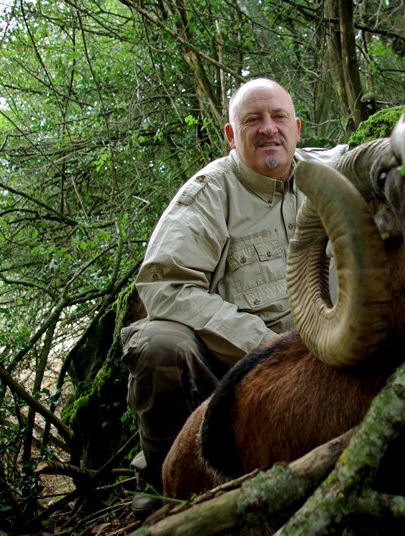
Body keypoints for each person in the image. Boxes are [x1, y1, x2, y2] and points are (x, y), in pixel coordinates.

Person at [120, 78, 345, 517]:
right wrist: (263, 347)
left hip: (336, 363)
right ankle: (166, 481)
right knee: (159, 345)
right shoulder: (207, 195)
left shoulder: (335, 172)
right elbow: (164, 286)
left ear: (297, 127)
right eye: (252, 120)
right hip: (235, 377)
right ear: (230, 134)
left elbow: (401, 160)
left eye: (279, 117)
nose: (268, 128)